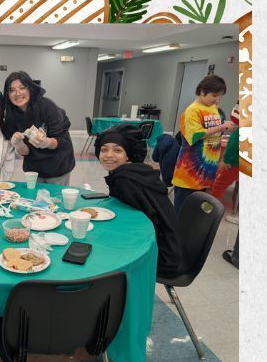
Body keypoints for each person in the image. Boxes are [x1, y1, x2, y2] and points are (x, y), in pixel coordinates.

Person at [96, 124, 183, 279]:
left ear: (128, 154)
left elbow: (139, 227)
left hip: (160, 255)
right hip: (173, 246)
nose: (109, 155)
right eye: (104, 149)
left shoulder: (126, 180)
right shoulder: (137, 171)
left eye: (117, 150)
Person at [171, 75, 236, 215]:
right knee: (182, 213)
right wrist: (222, 127)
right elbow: (195, 136)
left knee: (197, 214)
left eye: (220, 96)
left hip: (207, 172)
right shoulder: (192, 111)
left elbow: (212, 134)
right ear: (202, 91)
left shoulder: (214, 109)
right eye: (214, 95)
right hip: (189, 174)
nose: (217, 99)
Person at [2, 71, 75, 184]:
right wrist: (18, 144)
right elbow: (25, 152)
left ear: (30, 89)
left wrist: (46, 142)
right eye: (12, 90)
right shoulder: (12, 115)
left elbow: (61, 140)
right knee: (34, 200)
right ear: (7, 94)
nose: (17, 93)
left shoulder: (46, 106)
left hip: (57, 166)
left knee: (56, 200)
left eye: (22, 88)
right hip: (33, 170)